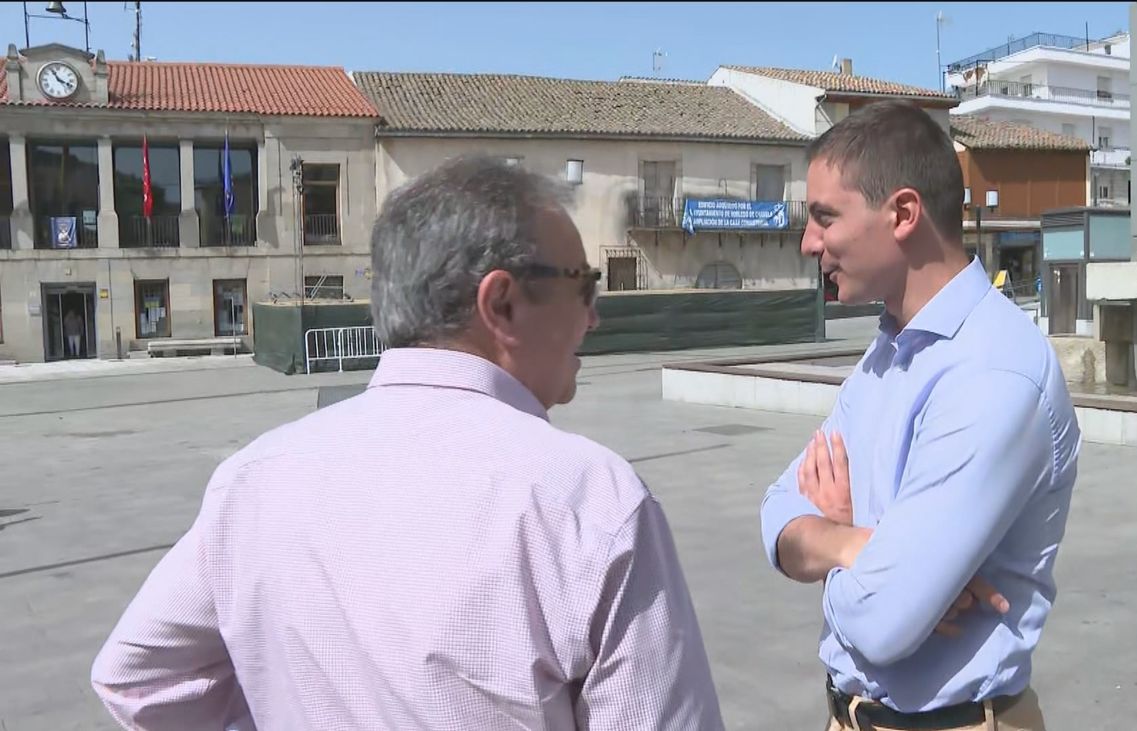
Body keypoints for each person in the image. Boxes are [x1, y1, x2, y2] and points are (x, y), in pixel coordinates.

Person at [91, 156, 725, 730]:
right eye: (584, 286)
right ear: (501, 303)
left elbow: (138, 680)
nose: (594, 315)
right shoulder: (590, 500)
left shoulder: (253, 477)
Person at [759, 102, 1081, 731]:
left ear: (903, 214)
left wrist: (863, 567)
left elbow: (883, 623)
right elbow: (775, 512)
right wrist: (854, 543)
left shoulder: (992, 372)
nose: (808, 242)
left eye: (826, 217)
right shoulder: (887, 355)